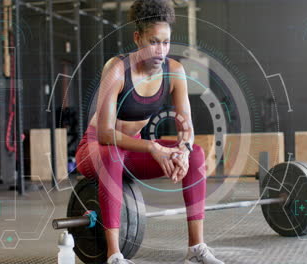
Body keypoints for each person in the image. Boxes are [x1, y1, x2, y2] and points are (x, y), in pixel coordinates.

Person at [75, 0, 224, 263]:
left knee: (197, 155)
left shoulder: (174, 72)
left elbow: (185, 126)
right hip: (94, 151)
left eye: (166, 42)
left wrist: (184, 150)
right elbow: (106, 134)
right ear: (138, 38)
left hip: (131, 152)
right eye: (154, 41)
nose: (161, 50)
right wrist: (154, 147)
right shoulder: (117, 69)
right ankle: (114, 255)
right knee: (112, 155)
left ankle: (196, 247)